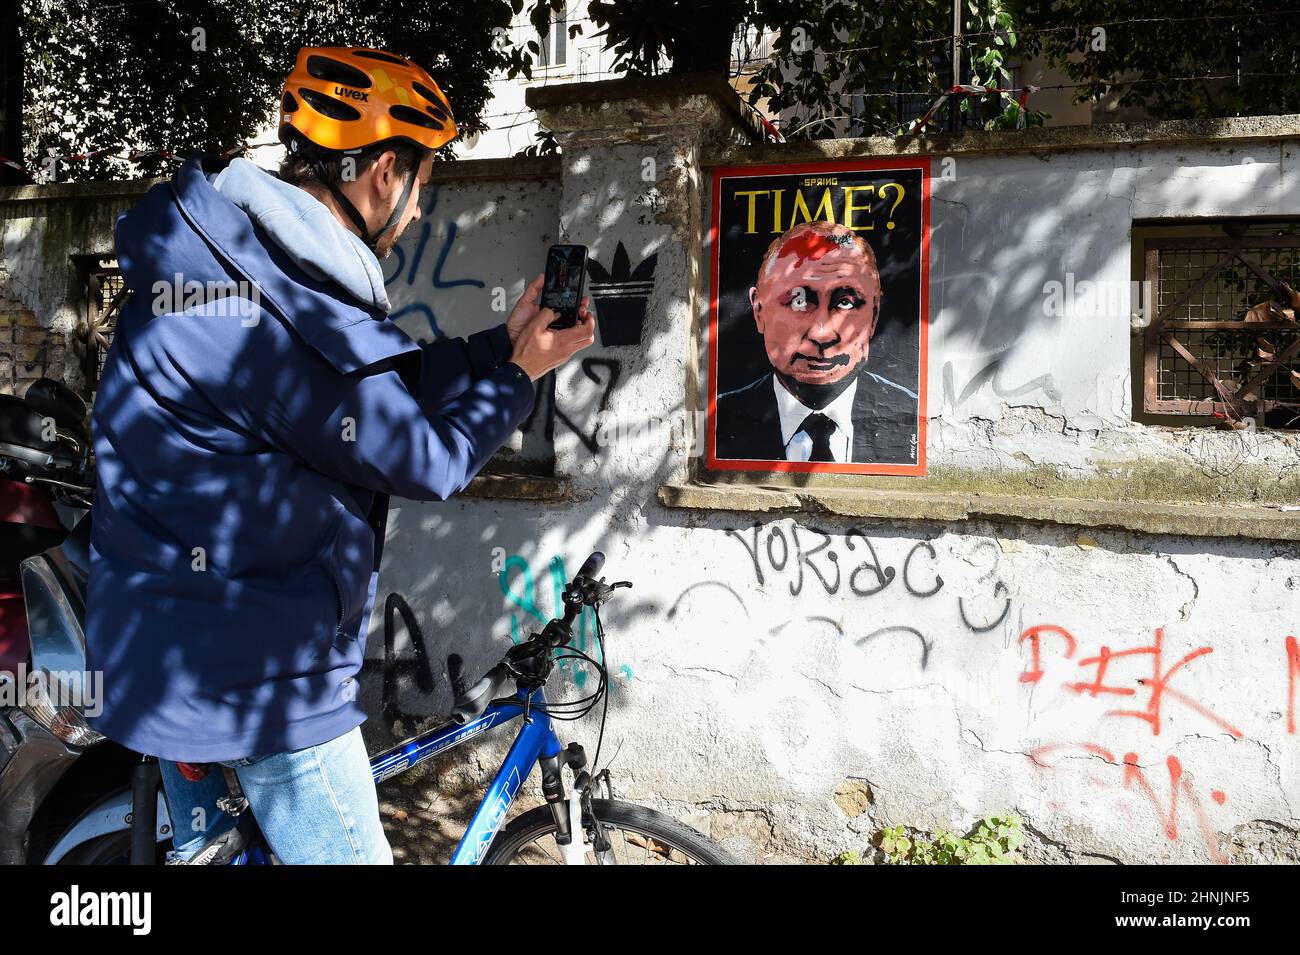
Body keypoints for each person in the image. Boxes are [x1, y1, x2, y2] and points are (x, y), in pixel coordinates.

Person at [84, 46, 594, 864]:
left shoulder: (232, 259)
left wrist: (498, 345)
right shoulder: (285, 318)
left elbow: (367, 383)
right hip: (258, 688)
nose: (422, 211)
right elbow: (424, 458)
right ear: (385, 173)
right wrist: (520, 376)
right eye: (424, 184)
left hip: (162, 646)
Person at [714, 220, 918, 465]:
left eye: (846, 302)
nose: (822, 334)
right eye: (798, 301)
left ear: (874, 315)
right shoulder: (718, 418)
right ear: (759, 310)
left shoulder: (915, 420)